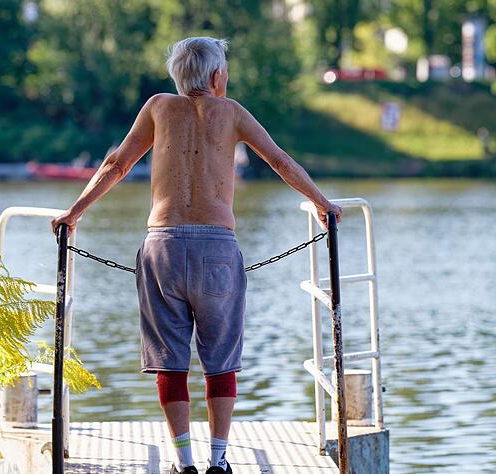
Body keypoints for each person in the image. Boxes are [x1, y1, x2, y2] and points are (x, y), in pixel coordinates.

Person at [52, 36, 342, 474]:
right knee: (220, 360)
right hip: (217, 248)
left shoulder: (157, 107)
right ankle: (218, 461)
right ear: (216, 76)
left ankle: (183, 462)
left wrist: (74, 212)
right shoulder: (232, 112)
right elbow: (280, 162)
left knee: (170, 360)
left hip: (162, 246)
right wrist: (323, 203)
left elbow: (117, 164)